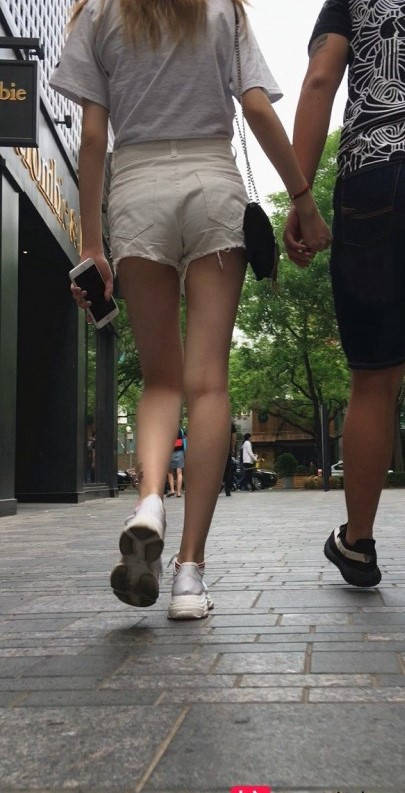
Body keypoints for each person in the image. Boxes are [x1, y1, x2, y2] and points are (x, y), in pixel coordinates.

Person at [51, 0, 330, 620]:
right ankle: (188, 575)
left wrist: (92, 245)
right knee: (208, 384)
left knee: (161, 381)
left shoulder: (97, 15)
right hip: (212, 186)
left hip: (137, 191)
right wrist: (304, 202)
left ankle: (150, 498)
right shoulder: (222, 10)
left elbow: (93, 137)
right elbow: (256, 108)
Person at [284, 0, 405, 588]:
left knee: (375, 379)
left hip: (375, 174)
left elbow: (321, 78)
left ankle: (358, 544)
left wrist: (300, 195)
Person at [167, 428, 185, 498]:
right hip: (180, 452)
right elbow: (182, 442)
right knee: (179, 472)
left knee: (170, 472)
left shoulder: (168, 430)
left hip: (170, 452)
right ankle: (179, 492)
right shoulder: (180, 430)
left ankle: (172, 490)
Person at [223, 421, 237, 496]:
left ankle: (219, 485)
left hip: (215, 451)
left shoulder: (213, 421)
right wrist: (232, 449)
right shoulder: (230, 424)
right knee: (228, 470)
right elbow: (233, 438)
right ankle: (227, 489)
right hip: (226, 450)